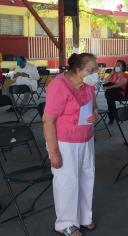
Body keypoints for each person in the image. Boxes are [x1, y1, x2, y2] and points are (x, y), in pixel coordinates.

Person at [43, 53, 99, 236]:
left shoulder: (88, 85)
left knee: (86, 178)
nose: (95, 73)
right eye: (91, 70)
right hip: (65, 142)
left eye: (95, 69)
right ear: (77, 70)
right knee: (67, 182)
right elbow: (48, 121)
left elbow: (94, 106)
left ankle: (84, 217)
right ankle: (65, 223)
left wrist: (95, 114)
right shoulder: (58, 86)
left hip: (86, 138)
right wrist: (54, 152)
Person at [103, 60, 128, 124]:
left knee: (109, 95)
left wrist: (108, 87)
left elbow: (119, 85)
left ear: (122, 67)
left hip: (120, 93)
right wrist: (111, 73)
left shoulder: (125, 75)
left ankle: (112, 116)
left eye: (118, 65)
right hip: (111, 93)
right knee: (110, 97)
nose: (116, 66)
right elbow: (105, 81)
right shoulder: (113, 74)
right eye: (116, 65)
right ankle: (113, 115)